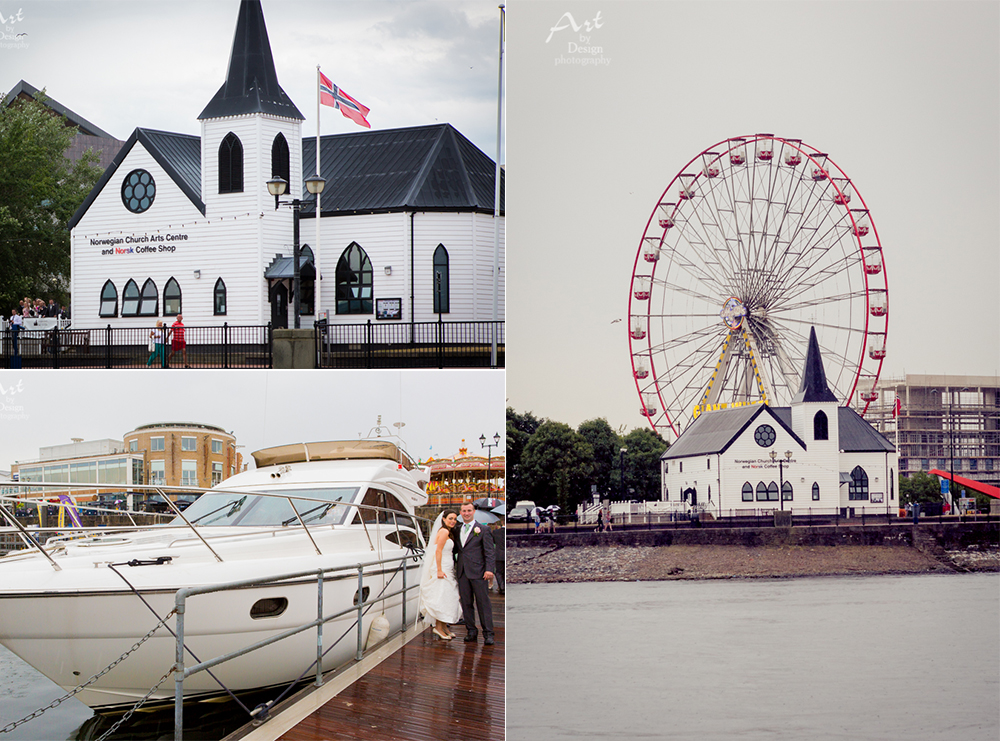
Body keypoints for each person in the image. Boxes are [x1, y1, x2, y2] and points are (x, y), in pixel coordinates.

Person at [455, 502, 495, 645]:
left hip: (479, 572)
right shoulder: (457, 529)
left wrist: (489, 569)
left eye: (469, 510)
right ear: (460, 512)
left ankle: (488, 633)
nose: (466, 513)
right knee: (466, 603)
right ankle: (471, 631)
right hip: (462, 572)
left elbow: (489, 552)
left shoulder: (483, 529)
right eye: (464, 511)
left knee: (483, 603)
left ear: (473, 511)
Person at [418, 510, 462, 641]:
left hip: (447, 566)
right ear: (443, 519)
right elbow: (438, 551)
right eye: (450, 518)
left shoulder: (448, 532)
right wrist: (439, 569)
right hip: (442, 567)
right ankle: (438, 627)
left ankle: (443, 627)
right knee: (442, 597)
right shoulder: (444, 532)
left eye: (454, 518)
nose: (453, 521)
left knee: (447, 597)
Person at [491, 520, 505, 595]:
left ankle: (502, 587)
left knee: (499, 572)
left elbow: (493, 542)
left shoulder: (496, 532)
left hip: (498, 554)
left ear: (502, 523)